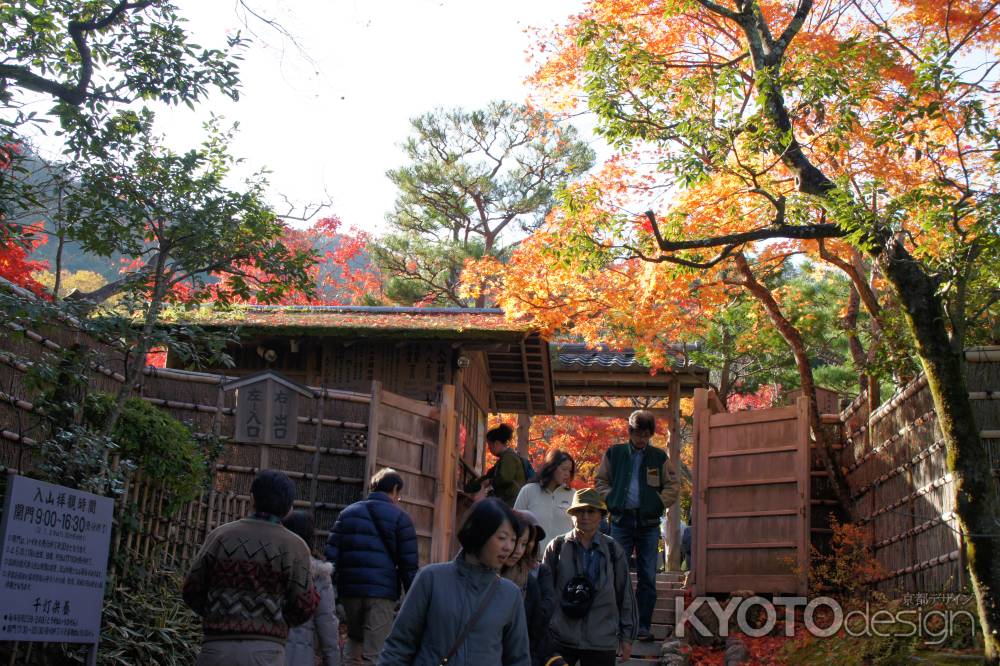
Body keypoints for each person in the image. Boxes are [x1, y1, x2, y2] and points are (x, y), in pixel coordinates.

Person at [183, 470, 319, 666]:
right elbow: (303, 605)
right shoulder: (295, 547)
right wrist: (275, 619)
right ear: (290, 508)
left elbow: (191, 589)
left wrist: (220, 612)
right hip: (266, 652)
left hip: (216, 648)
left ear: (251, 499)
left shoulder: (221, 536)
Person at [378, 498, 531, 666]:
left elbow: (518, 659)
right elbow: (398, 646)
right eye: (502, 538)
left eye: (513, 539)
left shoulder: (510, 595)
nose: (509, 547)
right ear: (479, 534)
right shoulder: (431, 579)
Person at [595, 410, 679, 642]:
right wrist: (612, 499)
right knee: (616, 573)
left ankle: (643, 625)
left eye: (646, 435)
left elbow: (673, 486)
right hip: (621, 521)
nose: (642, 439)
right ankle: (615, 624)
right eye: (638, 434)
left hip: (649, 524)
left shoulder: (659, 457)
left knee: (648, 576)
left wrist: (657, 504)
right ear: (629, 432)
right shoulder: (614, 453)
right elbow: (601, 481)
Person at [325, 468, 418, 666]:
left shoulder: (347, 514)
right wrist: (413, 597)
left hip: (350, 590)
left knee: (354, 639)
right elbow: (408, 565)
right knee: (375, 652)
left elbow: (332, 556)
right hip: (381, 593)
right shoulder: (401, 519)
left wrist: (332, 590)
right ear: (394, 490)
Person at [541, 488, 636, 666]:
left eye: (591, 511)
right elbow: (545, 593)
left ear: (600, 515)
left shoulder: (613, 550)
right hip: (560, 637)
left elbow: (625, 595)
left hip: (601, 639)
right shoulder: (557, 547)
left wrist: (627, 637)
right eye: (579, 511)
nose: (584, 516)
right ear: (572, 515)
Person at [283, 511, 341, 666]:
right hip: (299, 656)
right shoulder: (319, 574)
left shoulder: (272, 564)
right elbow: (327, 623)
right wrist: (332, 661)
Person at [514, 450, 575, 555]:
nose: (567, 474)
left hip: (561, 560)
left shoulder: (573, 495)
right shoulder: (528, 490)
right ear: (551, 467)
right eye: (564, 469)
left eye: (570, 471)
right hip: (532, 560)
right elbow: (514, 523)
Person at [466, 423, 526, 506]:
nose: (489, 449)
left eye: (490, 446)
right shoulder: (504, 458)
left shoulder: (508, 457)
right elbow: (488, 476)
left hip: (512, 502)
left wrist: (490, 481)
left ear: (497, 443)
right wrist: (471, 486)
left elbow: (505, 478)